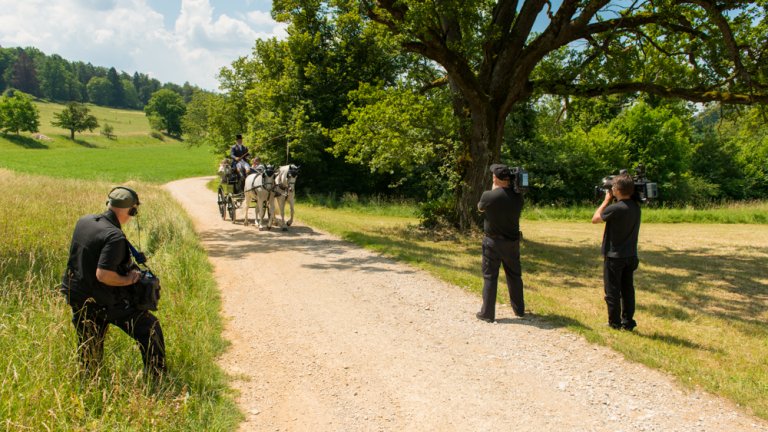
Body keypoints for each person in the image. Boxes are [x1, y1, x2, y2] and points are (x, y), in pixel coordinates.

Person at [60, 186, 166, 379]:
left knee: (89, 344)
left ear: (108, 204)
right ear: (131, 210)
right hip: (104, 301)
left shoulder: (84, 221)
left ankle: (89, 382)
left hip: (77, 295)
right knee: (150, 328)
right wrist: (130, 278)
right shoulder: (115, 237)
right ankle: (157, 380)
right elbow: (103, 275)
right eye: (134, 212)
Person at [475, 164, 525, 323]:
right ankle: (519, 310)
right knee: (515, 276)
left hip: (493, 242)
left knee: (490, 276)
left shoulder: (489, 196)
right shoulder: (518, 197)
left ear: (496, 178)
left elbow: (480, 208)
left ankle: (487, 313)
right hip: (512, 242)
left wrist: (493, 190)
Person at [591, 173, 641, 331]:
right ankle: (628, 322)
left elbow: (596, 218)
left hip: (614, 256)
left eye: (612, 187)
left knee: (612, 290)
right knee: (627, 289)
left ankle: (614, 322)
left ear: (618, 190)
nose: (610, 189)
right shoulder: (635, 207)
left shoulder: (616, 208)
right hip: (630, 255)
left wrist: (606, 200)